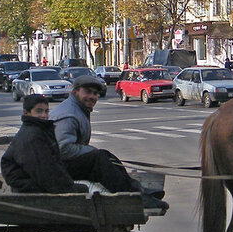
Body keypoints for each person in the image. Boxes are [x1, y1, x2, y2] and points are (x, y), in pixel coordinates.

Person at [50, 75, 167, 210]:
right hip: (59, 168)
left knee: (105, 156)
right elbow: (63, 149)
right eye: (87, 92)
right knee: (99, 158)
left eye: (95, 93)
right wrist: (91, 151)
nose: (92, 97)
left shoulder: (77, 108)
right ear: (75, 92)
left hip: (63, 164)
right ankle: (133, 197)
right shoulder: (69, 115)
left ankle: (136, 189)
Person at [0, 94, 81, 194]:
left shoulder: (41, 130)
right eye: (39, 111)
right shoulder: (32, 136)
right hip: (27, 187)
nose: (44, 115)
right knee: (81, 191)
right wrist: (69, 191)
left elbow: (52, 164)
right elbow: (43, 172)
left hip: (31, 181)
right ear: (26, 113)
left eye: (46, 111)